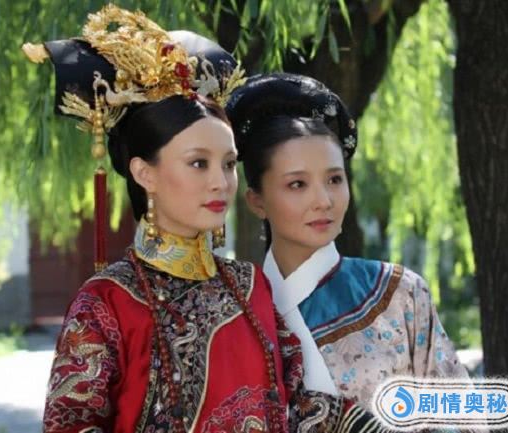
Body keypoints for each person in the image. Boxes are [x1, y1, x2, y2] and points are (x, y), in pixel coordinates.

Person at [23, 6, 389, 433]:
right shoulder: (106, 303)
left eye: (229, 164)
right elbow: (71, 424)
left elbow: (293, 402)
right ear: (145, 173)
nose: (221, 182)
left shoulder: (249, 286)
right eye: (199, 163)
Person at [226, 72, 470, 408]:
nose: (323, 200)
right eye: (297, 184)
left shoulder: (399, 294)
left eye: (334, 180)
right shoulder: (233, 315)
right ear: (256, 201)